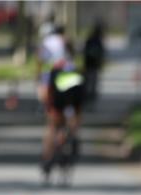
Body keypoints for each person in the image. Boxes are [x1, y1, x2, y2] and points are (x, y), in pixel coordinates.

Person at [41, 41, 85, 181]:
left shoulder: (54, 67)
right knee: (73, 125)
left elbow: (47, 90)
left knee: (52, 127)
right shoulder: (75, 68)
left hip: (57, 103)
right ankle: (71, 140)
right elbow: (80, 92)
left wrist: (47, 106)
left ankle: (47, 158)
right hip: (72, 102)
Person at [82, 21, 105, 102]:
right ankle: (91, 98)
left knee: (88, 82)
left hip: (88, 63)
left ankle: (88, 98)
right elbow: (101, 53)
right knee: (93, 83)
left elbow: (84, 51)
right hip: (94, 65)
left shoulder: (89, 39)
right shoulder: (98, 41)